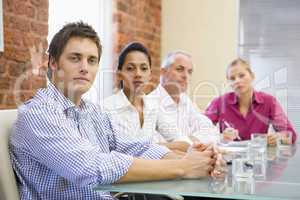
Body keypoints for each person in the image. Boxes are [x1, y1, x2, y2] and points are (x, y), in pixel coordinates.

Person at [9, 22, 221, 200]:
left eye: (92, 60)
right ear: (53, 63)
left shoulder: (91, 111)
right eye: (75, 58)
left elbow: (135, 147)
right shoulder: (39, 113)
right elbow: (91, 168)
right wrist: (183, 166)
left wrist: (197, 159)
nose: (85, 67)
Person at [103, 42, 191, 152]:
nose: (138, 74)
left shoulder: (153, 105)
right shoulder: (106, 108)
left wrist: (154, 146)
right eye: (130, 68)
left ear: (150, 75)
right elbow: (129, 152)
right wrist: (159, 146)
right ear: (119, 74)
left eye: (144, 68)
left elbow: (182, 141)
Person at [204, 58, 297, 145]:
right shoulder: (219, 102)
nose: (237, 81)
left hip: (258, 158)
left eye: (241, 75)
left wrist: (278, 137)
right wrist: (220, 137)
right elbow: (200, 132)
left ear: (252, 76)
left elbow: (291, 135)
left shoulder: (269, 101)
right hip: (228, 159)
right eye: (232, 78)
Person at [149, 51, 217, 143]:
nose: (186, 76)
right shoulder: (151, 103)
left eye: (190, 72)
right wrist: (194, 140)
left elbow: (212, 131)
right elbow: (159, 145)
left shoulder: (185, 100)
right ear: (163, 72)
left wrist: (190, 140)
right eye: (179, 69)